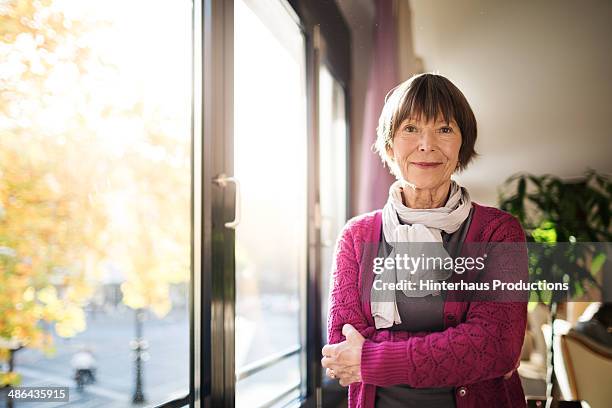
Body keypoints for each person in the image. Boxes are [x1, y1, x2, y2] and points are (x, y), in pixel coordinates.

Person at [321, 73, 528, 408]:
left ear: (463, 143)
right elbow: (341, 345)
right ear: (389, 144)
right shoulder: (356, 237)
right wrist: (457, 348)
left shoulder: (499, 232)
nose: (427, 144)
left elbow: (497, 347)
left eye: (444, 129)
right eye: (411, 128)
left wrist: (373, 358)